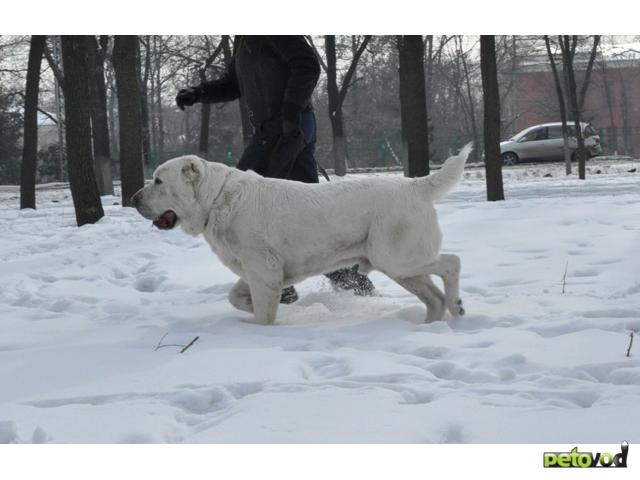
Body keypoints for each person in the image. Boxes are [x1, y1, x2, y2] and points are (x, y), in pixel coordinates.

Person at [176, 35, 375, 303]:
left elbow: (307, 64)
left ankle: (273, 284)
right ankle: (349, 281)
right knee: (308, 212)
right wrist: (200, 93)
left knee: (237, 197)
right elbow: (234, 84)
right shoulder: (244, 39)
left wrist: (291, 112)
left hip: (286, 126)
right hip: (280, 126)